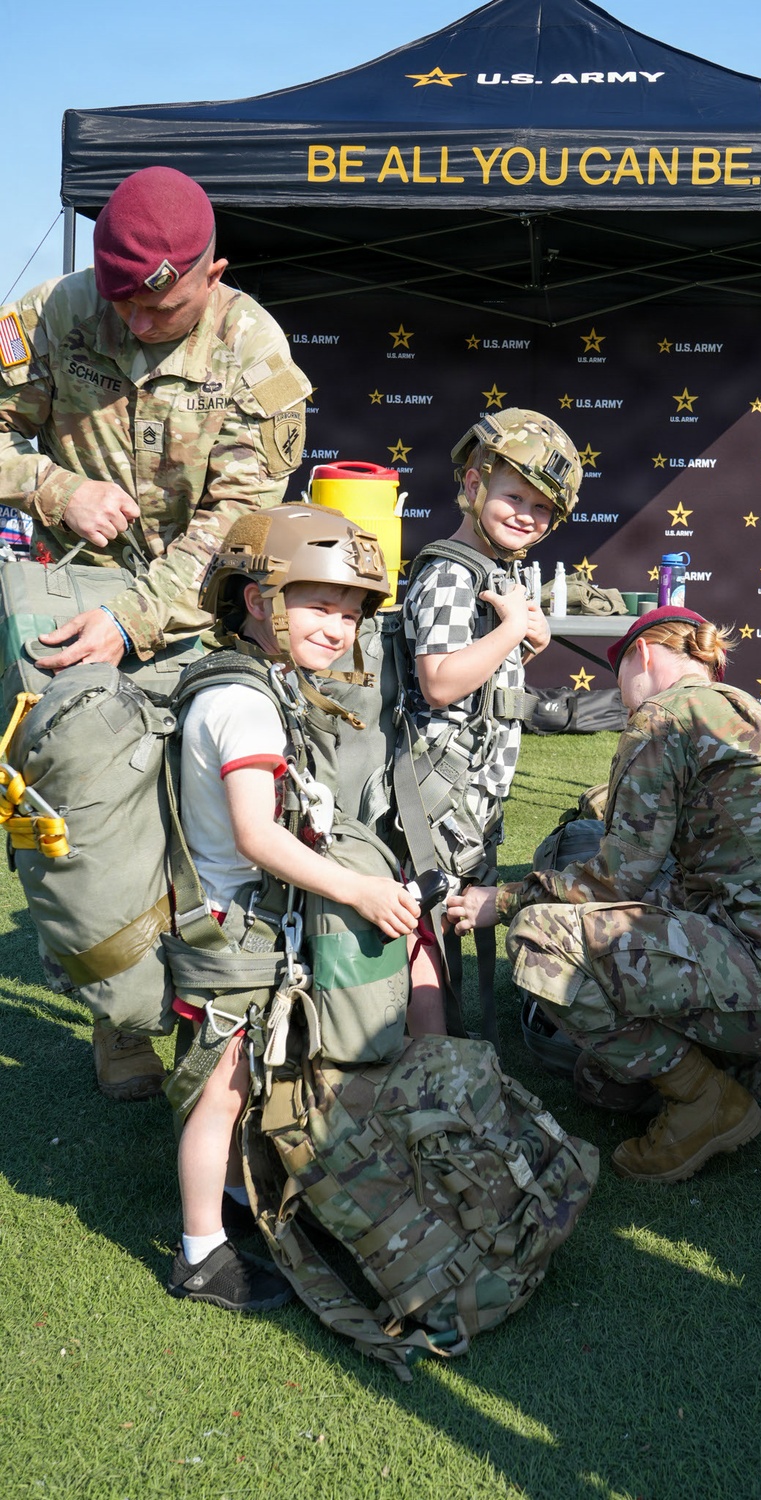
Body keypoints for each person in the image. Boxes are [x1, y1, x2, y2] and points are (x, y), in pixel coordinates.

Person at [0, 165, 312, 1100]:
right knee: (83, 820)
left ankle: (205, 1007)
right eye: (121, 304)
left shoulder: (256, 354)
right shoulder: (56, 314)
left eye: (160, 308)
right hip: (69, 602)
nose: (135, 325)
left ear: (214, 272)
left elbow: (237, 517)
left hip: (200, 617)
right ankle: (118, 1016)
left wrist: (133, 619)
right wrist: (55, 488)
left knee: (203, 823)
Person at [447, 605, 761, 1186]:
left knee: (540, 940)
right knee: (603, 1085)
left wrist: (501, 901)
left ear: (643, 655)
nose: (619, 695)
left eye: (617, 675)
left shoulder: (665, 716)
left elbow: (615, 877)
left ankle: (707, 1103)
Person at [168, 501, 428, 1311]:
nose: (339, 624)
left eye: (352, 610)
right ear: (258, 599)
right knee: (223, 1089)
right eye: (320, 601)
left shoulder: (247, 683)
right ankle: (201, 1252)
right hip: (229, 926)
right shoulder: (245, 702)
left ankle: (234, 1204)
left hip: (232, 920)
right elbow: (254, 832)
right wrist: (358, 887)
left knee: (240, 1081)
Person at [397, 409, 581, 1034]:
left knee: (446, 917)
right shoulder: (451, 571)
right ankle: (433, 1061)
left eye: (543, 508)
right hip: (438, 788)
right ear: (474, 486)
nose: (526, 514)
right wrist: (509, 629)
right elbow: (441, 680)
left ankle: (448, 1045)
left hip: (473, 790)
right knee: (425, 924)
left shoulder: (497, 570)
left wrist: (529, 635)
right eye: (513, 495)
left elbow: (488, 672)